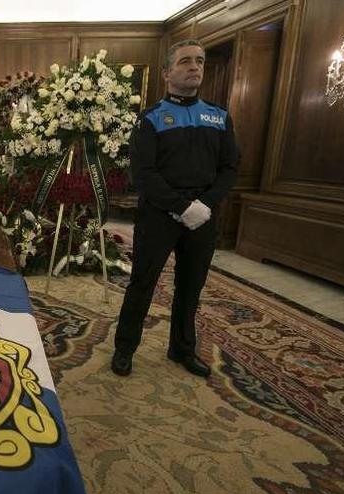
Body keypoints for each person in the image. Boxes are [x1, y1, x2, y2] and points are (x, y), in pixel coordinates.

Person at [111, 39, 239, 378]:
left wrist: (205, 205)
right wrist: (181, 206)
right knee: (142, 283)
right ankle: (125, 348)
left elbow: (229, 168)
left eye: (199, 61)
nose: (194, 67)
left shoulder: (219, 117)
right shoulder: (150, 119)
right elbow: (144, 174)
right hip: (159, 214)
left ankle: (182, 349)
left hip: (203, 216)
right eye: (185, 61)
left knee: (190, 286)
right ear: (168, 73)